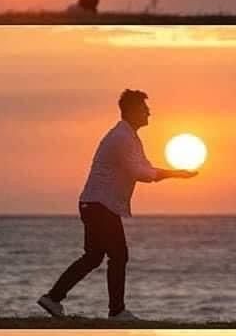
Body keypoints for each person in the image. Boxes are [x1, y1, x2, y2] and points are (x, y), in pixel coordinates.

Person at [37, 90, 196, 322]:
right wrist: (175, 174)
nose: (149, 112)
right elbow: (139, 172)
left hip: (95, 204)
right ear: (132, 111)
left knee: (93, 257)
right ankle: (117, 312)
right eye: (144, 108)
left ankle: (53, 298)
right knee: (118, 256)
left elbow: (145, 166)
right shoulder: (122, 138)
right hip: (100, 205)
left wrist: (174, 173)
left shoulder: (129, 137)